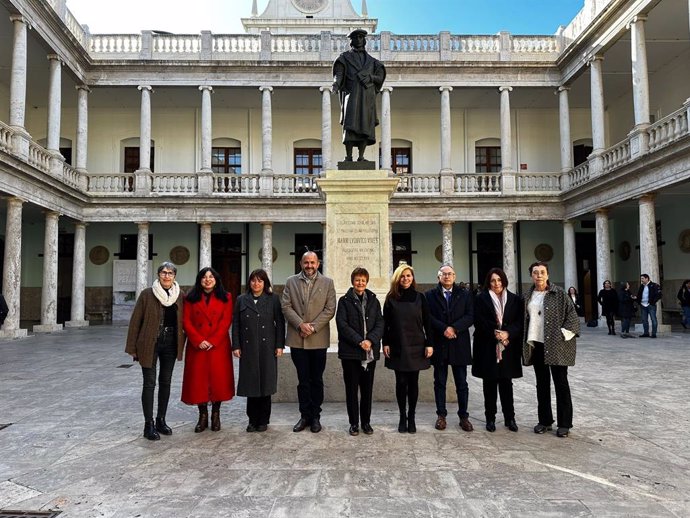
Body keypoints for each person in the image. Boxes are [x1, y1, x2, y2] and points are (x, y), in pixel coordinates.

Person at [125, 262, 185, 441]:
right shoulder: (147, 294)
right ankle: (148, 424)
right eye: (163, 273)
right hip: (149, 343)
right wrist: (132, 348)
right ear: (158, 275)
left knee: (166, 381)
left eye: (170, 273)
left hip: (171, 343)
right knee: (149, 383)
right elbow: (136, 321)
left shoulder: (180, 295)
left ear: (175, 276)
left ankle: (161, 420)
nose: (167, 276)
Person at [522, 261, 580, 438]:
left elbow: (572, 316)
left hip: (556, 345)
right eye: (535, 272)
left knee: (561, 383)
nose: (538, 275)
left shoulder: (559, 293)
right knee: (542, 384)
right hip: (537, 344)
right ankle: (545, 420)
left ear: (547, 274)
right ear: (531, 275)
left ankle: (565, 423)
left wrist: (563, 334)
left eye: (542, 272)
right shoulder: (528, 295)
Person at [281, 251, 336, 433]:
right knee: (302, 380)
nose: (309, 266)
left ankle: (315, 417)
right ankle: (304, 415)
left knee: (316, 380)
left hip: (318, 339)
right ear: (301, 263)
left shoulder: (328, 283)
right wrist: (300, 325)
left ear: (318, 263)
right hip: (298, 340)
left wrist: (312, 327)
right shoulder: (291, 282)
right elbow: (286, 306)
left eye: (313, 262)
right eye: (306, 263)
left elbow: (330, 309)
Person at [181, 267, 234, 433]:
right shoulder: (190, 298)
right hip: (197, 346)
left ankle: (216, 414)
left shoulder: (227, 297)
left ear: (216, 280)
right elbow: (186, 321)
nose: (208, 280)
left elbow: (226, 321)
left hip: (218, 345)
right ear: (199, 280)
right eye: (204, 277)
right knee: (198, 381)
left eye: (211, 277)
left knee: (218, 381)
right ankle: (202, 415)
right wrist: (198, 340)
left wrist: (212, 340)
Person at [232, 269, 285, 432]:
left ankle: (263, 420)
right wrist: (236, 345)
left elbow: (280, 324)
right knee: (251, 384)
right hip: (248, 348)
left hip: (267, 347)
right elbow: (236, 324)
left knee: (266, 384)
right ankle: (252, 420)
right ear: (249, 283)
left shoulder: (273, 299)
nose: (256, 284)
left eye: (260, 281)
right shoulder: (241, 300)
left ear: (265, 283)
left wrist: (279, 345)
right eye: (253, 280)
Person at [383, 264, 433, 434]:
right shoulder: (391, 299)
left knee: (413, 383)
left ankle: (411, 417)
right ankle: (402, 416)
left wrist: (429, 344)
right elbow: (386, 324)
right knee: (401, 382)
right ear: (398, 279)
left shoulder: (421, 298)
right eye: (402, 276)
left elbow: (428, 322)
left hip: (416, 344)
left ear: (413, 278)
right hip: (398, 345)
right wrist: (385, 343)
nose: (406, 279)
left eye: (409, 276)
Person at [472, 268, 523, 432]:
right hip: (488, 346)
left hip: (508, 347)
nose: (496, 284)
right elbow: (479, 321)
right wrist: (496, 333)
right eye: (493, 280)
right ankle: (490, 418)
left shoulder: (515, 300)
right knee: (490, 384)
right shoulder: (481, 299)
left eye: (499, 280)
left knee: (507, 384)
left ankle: (510, 418)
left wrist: (508, 334)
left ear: (504, 281)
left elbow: (519, 322)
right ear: (489, 282)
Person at [425, 264, 474, 432]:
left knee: (462, 383)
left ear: (454, 276)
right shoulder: (429, 295)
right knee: (440, 382)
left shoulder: (465, 294)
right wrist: (443, 328)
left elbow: (470, 315)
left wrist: (454, 328)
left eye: (450, 274)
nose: (447, 277)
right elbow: (428, 317)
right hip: (440, 343)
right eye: (444, 274)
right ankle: (441, 415)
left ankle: (464, 417)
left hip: (459, 343)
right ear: (438, 277)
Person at [336, 267, 384, 436]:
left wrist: (370, 340)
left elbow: (380, 323)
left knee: (367, 390)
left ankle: (366, 422)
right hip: (351, 353)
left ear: (367, 281)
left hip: (369, 353)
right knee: (351, 390)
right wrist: (359, 341)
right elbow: (342, 325)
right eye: (357, 280)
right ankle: (354, 423)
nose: (360, 283)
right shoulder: (344, 301)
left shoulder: (374, 301)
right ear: (352, 281)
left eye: (363, 280)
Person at [332, 29, 386, 162]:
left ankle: (361, 157)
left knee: (365, 126)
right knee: (350, 125)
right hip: (351, 95)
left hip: (367, 97)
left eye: (361, 37)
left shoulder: (373, 61)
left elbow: (380, 77)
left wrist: (371, 77)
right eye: (356, 37)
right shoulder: (344, 58)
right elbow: (339, 74)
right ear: (351, 41)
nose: (359, 39)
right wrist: (336, 84)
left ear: (365, 40)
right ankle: (349, 157)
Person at [637, 274, 661, 338]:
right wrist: (637, 300)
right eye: (641, 278)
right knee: (644, 320)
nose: (641, 280)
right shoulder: (642, 286)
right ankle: (646, 333)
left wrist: (652, 302)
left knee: (653, 319)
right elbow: (639, 294)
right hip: (643, 305)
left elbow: (659, 295)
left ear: (647, 278)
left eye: (642, 278)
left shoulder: (654, 285)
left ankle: (654, 333)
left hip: (650, 305)